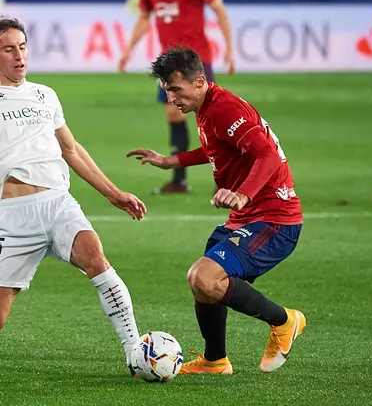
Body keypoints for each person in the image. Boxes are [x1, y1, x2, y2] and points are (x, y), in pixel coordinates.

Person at [0, 17, 147, 373]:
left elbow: (71, 149)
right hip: (14, 216)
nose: (19, 56)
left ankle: (134, 351)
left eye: (22, 47)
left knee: (96, 260)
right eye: (9, 49)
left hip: (58, 204)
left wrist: (113, 194)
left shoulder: (45, 94)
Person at [127, 47, 305, 374]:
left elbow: (267, 155)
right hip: (249, 217)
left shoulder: (224, 109)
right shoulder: (209, 107)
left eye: (176, 90)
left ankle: (285, 321)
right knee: (203, 284)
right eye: (166, 91)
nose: (171, 98)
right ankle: (215, 360)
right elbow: (216, 147)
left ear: (199, 81)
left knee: (203, 277)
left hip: (275, 220)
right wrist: (172, 160)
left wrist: (242, 195)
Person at [119, 0, 234, 194]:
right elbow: (144, 17)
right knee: (173, 114)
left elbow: (219, 9)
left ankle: (228, 177)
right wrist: (128, 49)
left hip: (196, 60)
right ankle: (179, 181)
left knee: (212, 117)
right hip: (169, 62)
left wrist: (229, 48)